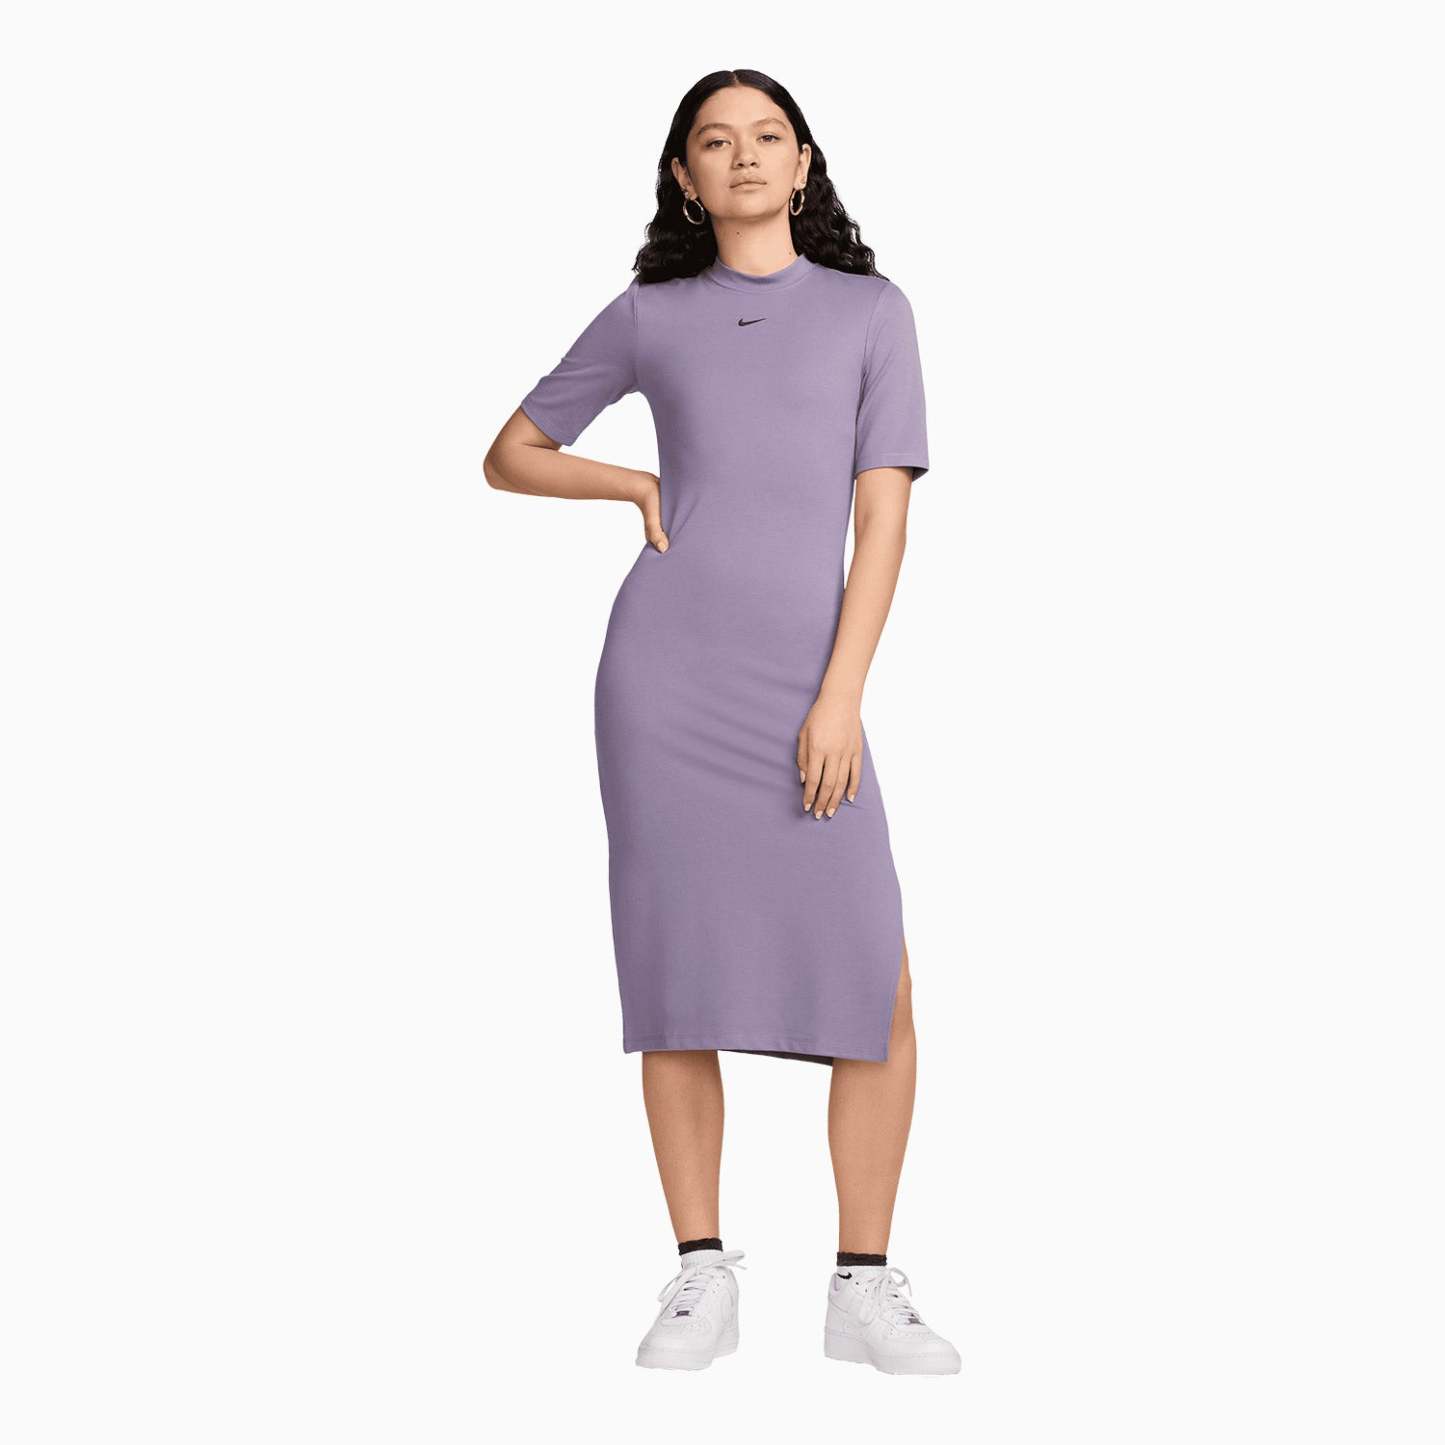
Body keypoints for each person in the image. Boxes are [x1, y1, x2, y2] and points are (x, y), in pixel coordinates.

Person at [484, 69, 960, 1377]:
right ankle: (701, 1271)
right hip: (665, 682)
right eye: (714, 141)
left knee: (874, 975)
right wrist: (631, 481)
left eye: (766, 137)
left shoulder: (871, 312)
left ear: (802, 163)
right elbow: (510, 451)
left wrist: (840, 693)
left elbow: (883, 520)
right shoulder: (650, 316)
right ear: (684, 177)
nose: (742, 156)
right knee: (675, 975)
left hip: (808, 680)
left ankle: (861, 1286)